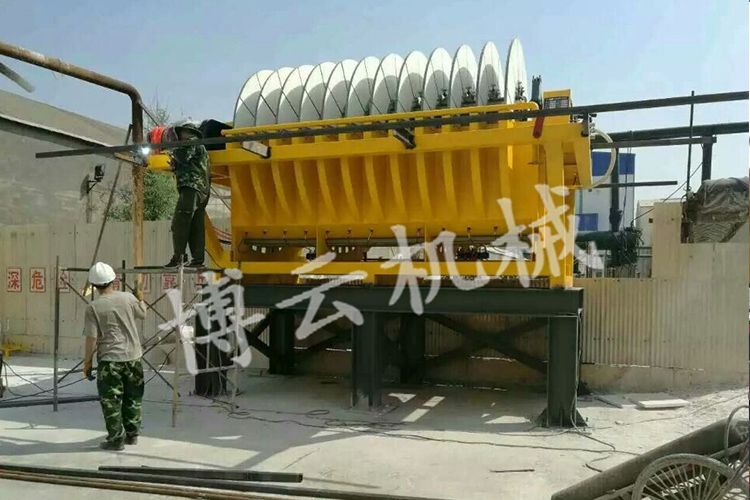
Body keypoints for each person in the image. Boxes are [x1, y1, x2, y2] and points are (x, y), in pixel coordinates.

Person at [83, 262, 147, 451]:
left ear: (94, 285)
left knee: (111, 401)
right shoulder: (128, 298)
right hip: (133, 357)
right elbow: (143, 314)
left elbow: (92, 338)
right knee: (133, 397)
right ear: (114, 280)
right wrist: (140, 297)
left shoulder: (93, 307)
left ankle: (116, 439)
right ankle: (132, 434)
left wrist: (87, 362)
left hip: (110, 361)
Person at [165, 121, 211, 268]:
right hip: (201, 190)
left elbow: (183, 157)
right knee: (195, 226)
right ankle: (197, 259)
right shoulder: (197, 146)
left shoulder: (192, 141)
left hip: (192, 187)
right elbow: (184, 162)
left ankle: (179, 257)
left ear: (187, 132)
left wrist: (173, 148)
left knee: (180, 222)